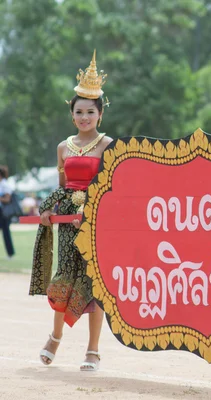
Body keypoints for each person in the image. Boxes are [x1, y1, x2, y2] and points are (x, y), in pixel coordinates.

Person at [29, 51, 113, 371]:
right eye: (79, 112)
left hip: (96, 223)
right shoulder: (64, 147)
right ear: (72, 114)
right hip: (68, 224)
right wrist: (49, 211)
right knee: (64, 278)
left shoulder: (108, 145)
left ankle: (93, 350)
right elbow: (63, 187)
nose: (84, 118)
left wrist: (93, 209)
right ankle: (55, 335)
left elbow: (112, 187)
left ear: (100, 115)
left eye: (90, 112)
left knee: (93, 283)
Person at [0, 165, 16, 259]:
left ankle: (10, 254)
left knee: (6, 233)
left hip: (4, 213)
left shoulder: (5, 185)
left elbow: (7, 199)